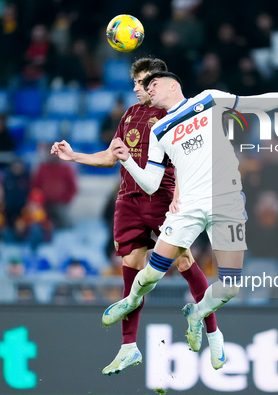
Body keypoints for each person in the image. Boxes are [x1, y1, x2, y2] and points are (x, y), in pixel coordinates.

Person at [108, 68, 278, 353]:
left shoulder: (209, 99)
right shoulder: (158, 130)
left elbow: (260, 102)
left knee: (229, 288)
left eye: (153, 83)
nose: (148, 89)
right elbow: (152, 184)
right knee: (152, 275)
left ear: (172, 84)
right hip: (188, 206)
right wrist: (128, 161)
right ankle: (129, 301)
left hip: (226, 202)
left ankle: (197, 311)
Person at [50, 58, 222, 374]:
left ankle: (213, 333)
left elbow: (189, 159)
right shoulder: (129, 114)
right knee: (130, 267)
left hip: (161, 198)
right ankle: (128, 347)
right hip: (128, 198)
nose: (136, 88)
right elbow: (110, 156)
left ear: (155, 83)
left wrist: (180, 197)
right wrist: (74, 156)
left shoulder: (172, 115)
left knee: (183, 261)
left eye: (141, 82)